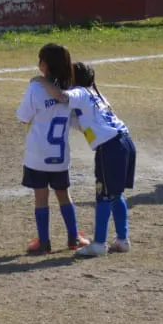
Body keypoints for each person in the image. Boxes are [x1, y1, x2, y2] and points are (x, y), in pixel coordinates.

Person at [17, 43, 88, 255]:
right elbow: (77, 121)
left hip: (38, 155)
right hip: (60, 156)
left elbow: (22, 116)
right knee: (64, 195)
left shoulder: (36, 88)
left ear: (44, 65)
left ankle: (44, 242)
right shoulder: (70, 92)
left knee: (41, 197)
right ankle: (73, 237)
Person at [63, 63, 135, 257]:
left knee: (103, 195)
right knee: (116, 195)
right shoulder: (97, 95)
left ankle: (99, 244)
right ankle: (122, 240)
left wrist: (45, 84)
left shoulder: (80, 92)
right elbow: (84, 123)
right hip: (125, 141)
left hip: (110, 148)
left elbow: (64, 97)